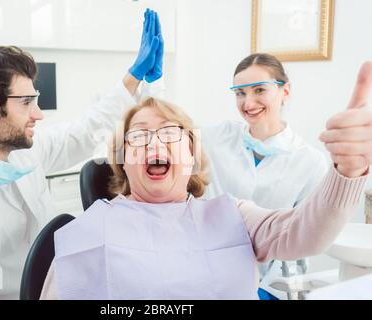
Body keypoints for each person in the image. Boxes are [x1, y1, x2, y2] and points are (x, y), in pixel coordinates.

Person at [40, 61, 372, 299]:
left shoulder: (234, 215)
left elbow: (305, 234)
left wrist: (348, 171)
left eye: (170, 133)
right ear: (122, 160)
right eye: (139, 136)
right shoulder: (86, 231)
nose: (155, 143)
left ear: (193, 155)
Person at [0, 9, 164, 299]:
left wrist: (134, 76)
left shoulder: (21, 152)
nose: (38, 114)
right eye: (26, 102)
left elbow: (84, 131)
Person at [201, 53, 330, 298]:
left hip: (269, 284)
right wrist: (146, 81)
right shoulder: (218, 138)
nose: (248, 103)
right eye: (240, 93)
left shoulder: (310, 162)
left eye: (259, 90)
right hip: (207, 272)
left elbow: (305, 236)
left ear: (285, 91)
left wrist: (267, 288)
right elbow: (164, 130)